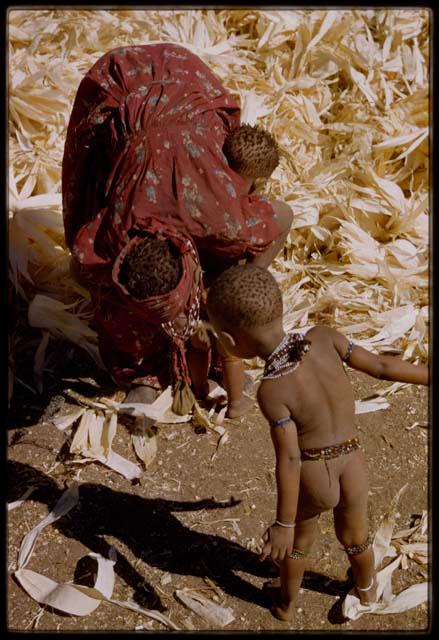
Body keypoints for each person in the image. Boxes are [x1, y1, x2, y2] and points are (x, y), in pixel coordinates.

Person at [62, 42, 293, 414]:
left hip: (185, 82)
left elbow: (284, 216)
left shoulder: (223, 222)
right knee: (117, 308)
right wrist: (124, 303)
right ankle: (144, 371)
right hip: (123, 88)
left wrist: (237, 285)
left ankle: (214, 347)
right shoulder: (110, 237)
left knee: (226, 279)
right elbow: (78, 269)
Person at [206, 264, 428, 621]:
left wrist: (284, 524)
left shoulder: (272, 390)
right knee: (356, 533)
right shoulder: (325, 338)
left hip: (315, 473)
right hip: (353, 459)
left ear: (230, 342)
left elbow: (290, 459)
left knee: (299, 545)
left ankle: (285, 603)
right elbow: (383, 368)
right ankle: (367, 590)